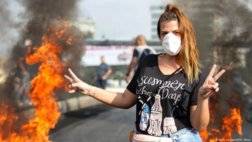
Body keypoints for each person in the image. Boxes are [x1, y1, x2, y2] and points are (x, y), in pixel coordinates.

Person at [65, 4, 226, 142]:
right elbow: (124, 100)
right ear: (160, 36)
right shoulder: (148, 62)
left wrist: (203, 99)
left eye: (176, 32)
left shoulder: (196, 72)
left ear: (186, 34)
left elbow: (199, 125)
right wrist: (86, 88)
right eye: (164, 33)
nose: (170, 37)